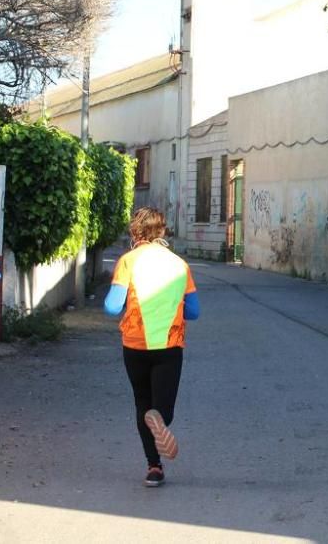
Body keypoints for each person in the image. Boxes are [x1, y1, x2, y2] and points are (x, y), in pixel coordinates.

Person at [104, 207, 200, 487]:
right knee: (160, 410)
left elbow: (111, 307)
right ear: (162, 231)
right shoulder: (179, 265)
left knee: (141, 402)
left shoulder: (128, 261)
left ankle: (154, 467)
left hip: (134, 346)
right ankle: (158, 419)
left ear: (136, 231)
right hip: (169, 345)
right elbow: (194, 311)